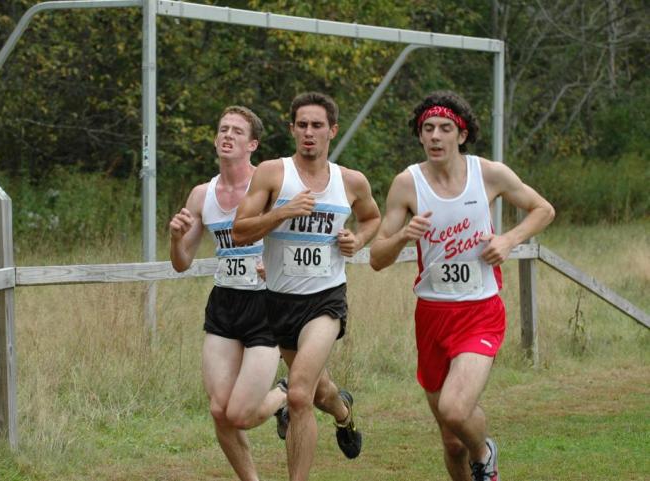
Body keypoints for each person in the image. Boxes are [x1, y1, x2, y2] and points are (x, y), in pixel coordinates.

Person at [370, 91, 554, 481]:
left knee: (455, 409)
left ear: (462, 134)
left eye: (445, 129)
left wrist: (507, 240)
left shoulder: (489, 173)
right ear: (420, 136)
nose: (435, 136)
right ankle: (472, 456)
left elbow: (543, 209)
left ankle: (485, 451)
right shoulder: (407, 184)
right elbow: (376, 258)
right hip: (433, 316)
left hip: (480, 312)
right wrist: (404, 235)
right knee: (451, 442)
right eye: (428, 129)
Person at [232, 92, 381, 481]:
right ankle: (343, 412)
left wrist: (358, 241)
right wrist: (283, 211)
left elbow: (372, 218)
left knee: (297, 395)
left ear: (332, 130)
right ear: (292, 130)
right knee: (317, 391)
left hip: (325, 301)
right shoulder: (272, 173)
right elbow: (240, 231)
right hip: (279, 301)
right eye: (302, 125)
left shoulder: (351, 181)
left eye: (317, 126)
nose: (309, 133)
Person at [168, 105, 287, 481]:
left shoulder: (269, 187)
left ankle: (286, 393)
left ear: (252, 144)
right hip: (225, 303)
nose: (227, 135)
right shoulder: (201, 195)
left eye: (237, 131)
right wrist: (175, 238)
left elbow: (296, 238)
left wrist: (277, 262)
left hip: (267, 304)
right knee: (219, 410)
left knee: (241, 414)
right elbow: (182, 262)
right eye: (223, 129)